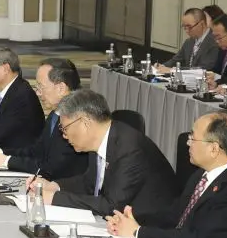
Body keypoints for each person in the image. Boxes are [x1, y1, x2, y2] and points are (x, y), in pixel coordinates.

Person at [30, 89, 176, 216]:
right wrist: (54, 186)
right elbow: (89, 182)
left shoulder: (130, 148)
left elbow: (112, 206)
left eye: (64, 128)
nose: (64, 136)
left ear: (85, 123)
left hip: (149, 226)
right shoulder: (100, 139)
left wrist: (55, 198)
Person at [0, 58, 88, 180]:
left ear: (61, 88)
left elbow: (51, 168)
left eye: (41, 87)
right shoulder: (55, 114)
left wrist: (6, 160)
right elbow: (35, 151)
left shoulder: (76, 121)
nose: (38, 93)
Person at [158, 7, 219, 71]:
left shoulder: (214, 42)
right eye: (184, 27)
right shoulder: (189, 42)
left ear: (202, 24)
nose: (187, 31)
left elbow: (203, 69)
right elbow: (175, 60)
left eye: (189, 27)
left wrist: (172, 70)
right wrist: (161, 67)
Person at [206, 14, 227, 83]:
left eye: (219, 37)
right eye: (215, 37)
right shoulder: (223, 50)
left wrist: (217, 77)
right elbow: (216, 70)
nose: (216, 41)